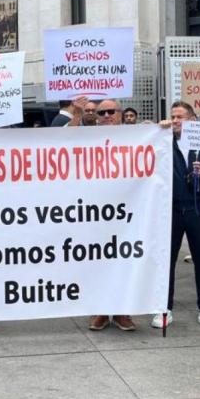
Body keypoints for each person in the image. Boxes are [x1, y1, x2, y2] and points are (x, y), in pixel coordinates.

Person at [153, 101, 200, 330]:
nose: (175, 120)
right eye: (172, 116)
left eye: (180, 116)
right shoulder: (163, 141)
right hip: (171, 209)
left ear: (192, 120)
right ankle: (164, 307)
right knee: (168, 260)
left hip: (198, 208)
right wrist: (157, 129)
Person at [88, 98, 136, 332]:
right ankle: (100, 310)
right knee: (97, 262)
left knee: (124, 261)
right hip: (94, 212)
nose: (106, 115)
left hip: (127, 211)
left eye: (111, 111)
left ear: (120, 113)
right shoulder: (85, 139)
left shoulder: (138, 137)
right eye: (101, 112)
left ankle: (121, 312)